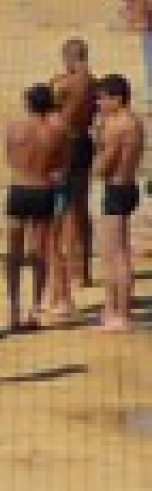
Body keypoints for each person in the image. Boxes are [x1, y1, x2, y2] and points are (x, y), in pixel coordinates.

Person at [4, 83, 68, 330]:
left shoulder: (15, 128)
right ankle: (35, 309)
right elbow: (62, 163)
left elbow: (10, 157)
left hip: (20, 187)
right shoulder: (57, 131)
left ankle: (13, 307)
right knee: (39, 252)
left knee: (14, 251)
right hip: (43, 190)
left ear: (28, 104)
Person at [93, 73, 144, 332]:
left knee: (114, 254)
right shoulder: (134, 121)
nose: (99, 104)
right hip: (129, 185)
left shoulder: (116, 126)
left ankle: (120, 313)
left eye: (102, 98)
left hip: (116, 188)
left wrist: (98, 144)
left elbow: (103, 167)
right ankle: (117, 310)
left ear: (117, 98)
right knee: (119, 251)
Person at [50, 39, 97, 299]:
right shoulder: (94, 82)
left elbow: (48, 100)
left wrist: (56, 80)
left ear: (68, 58)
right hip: (84, 141)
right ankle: (84, 271)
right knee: (82, 207)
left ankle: (70, 269)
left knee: (67, 210)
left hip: (67, 143)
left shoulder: (67, 83)